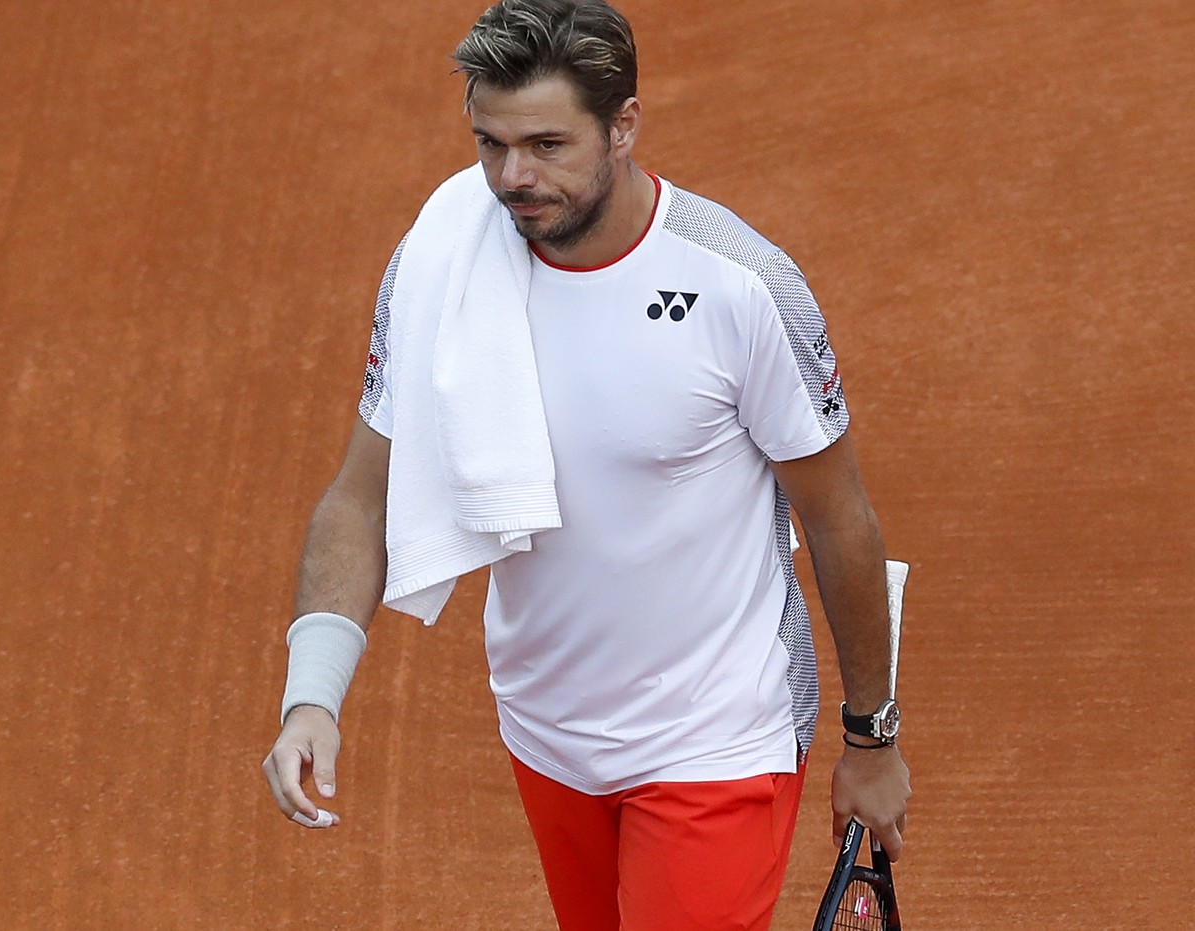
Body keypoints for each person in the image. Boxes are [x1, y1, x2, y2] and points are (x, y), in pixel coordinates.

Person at [260, 1, 911, 928]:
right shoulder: (443, 264)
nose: (511, 178)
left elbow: (839, 515)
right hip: (546, 730)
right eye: (489, 143)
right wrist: (310, 699)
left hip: (715, 736)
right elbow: (363, 497)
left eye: (547, 145)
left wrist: (872, 740)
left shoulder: (742, 286)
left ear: (625, 125)